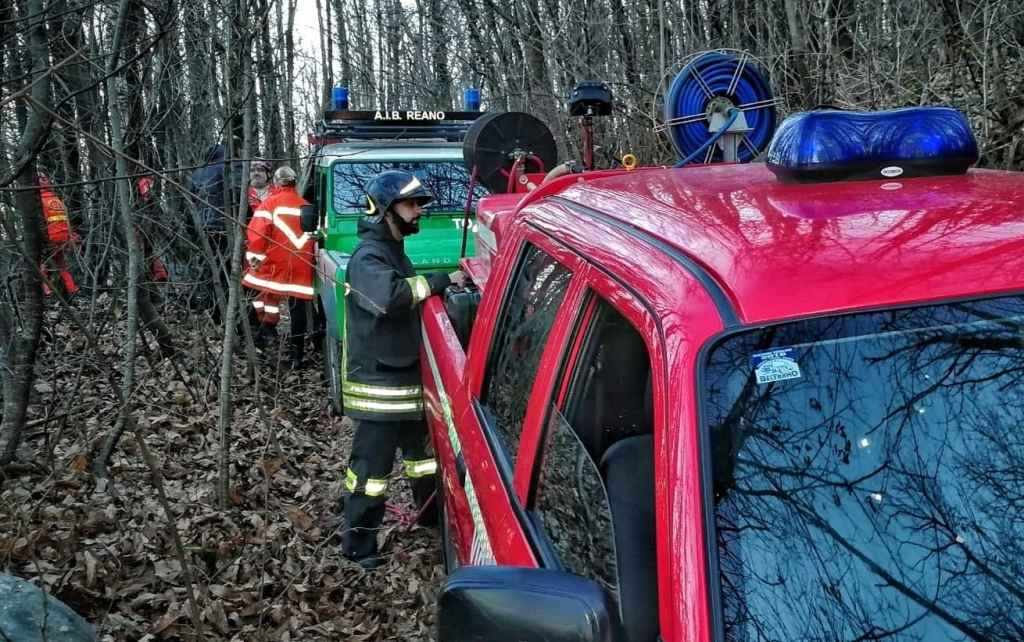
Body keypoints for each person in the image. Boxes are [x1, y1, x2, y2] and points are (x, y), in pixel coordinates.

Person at [340, 170, 465, 570]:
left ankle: (431, 521)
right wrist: (442, 281)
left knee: (424, 461)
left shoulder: (394, 250)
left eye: (418, 205)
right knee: (369, 473)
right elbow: (391, 298)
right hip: (380, 389)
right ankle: (359, 547)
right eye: (411, 205)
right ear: (384, 210)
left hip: (407, 382)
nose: (418, 212)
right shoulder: (368, 256)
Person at [241, 166, 316, 366]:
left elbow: (256, 236)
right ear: (294, 182)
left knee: (257, 293)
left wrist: (254, 261)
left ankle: (264, 334)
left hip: (275, 265)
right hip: (301, 266)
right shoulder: (306, 206)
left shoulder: (268, 205)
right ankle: (297, 354)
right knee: (297, 309)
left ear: (275, 182)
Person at [37, 172, 79, 297]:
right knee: (61, 265)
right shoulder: (57, 200)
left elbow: (40, 221)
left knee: (40, 264)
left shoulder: (40, 200)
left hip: (51, 237)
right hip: (64, 237)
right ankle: (72, 288)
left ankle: (46, 289)